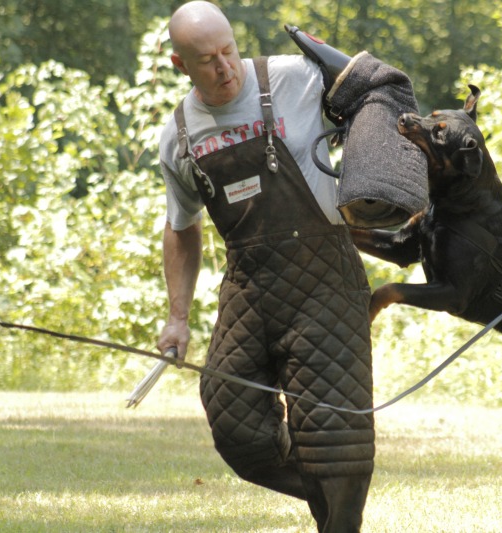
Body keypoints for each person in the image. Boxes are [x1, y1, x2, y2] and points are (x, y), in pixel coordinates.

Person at [155, 2, 375, 531]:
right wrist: (177, 317)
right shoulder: (180, 133)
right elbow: (182, 228)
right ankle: (326, 497)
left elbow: (377, 96)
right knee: (232, 419)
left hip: (327, 276)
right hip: (249, 284)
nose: (224, 67)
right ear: (180, 65)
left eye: (228, 51)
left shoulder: (297, 77)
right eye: (206, 60)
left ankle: (338, 512)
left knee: (335, 434)